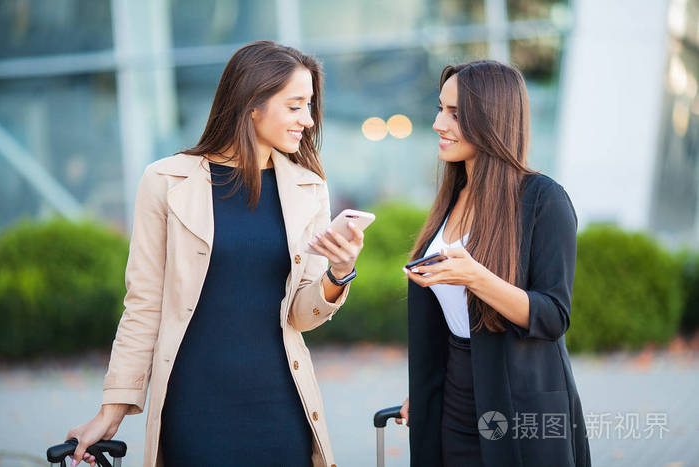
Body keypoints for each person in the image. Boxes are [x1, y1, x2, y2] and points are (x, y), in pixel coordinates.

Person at [66, 40, 363, 467]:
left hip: (281, 402)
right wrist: (111, 413)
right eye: (296, 106)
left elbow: (300, 315)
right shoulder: (166, 181)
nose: (309, 120)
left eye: (310, 106)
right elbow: (144, 304)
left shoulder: (307, 187)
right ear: (251, 104)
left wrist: (340, 271)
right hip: (195, 406)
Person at [396, 60, 591, 466]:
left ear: (491, 118)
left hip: (519, 406)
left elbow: (554, 316)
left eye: (454, 113)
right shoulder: (454, 196)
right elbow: (448, 319)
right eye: (439, 109)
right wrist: (427, 389)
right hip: (453, 401)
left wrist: (477, 278)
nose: (438, 124)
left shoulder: (543, 200)